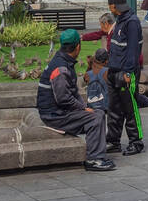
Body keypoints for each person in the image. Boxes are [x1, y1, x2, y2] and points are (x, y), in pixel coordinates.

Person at [36, 28, 116, 172]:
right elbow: (63, 98)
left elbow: (70, 93)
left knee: (96, 110)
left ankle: (97, 150)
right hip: (55, 116)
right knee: (96, 116)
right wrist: (83, 108)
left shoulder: (62, 60)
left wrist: (84, 106)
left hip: (57, 111)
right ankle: (94, 159)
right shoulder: (61, 68)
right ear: (78, 46)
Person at [84, 12, 148, 106]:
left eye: (101, 25)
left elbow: (119, 53)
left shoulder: (117, 32)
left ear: (106, 24)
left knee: (124, 88)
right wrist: (83, 37)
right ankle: (146, 101)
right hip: (124, 61)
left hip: (128, 64)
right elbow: (98, 34)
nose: (101, 27)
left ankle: (146, 101)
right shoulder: (113, 29)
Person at [105, 0, 146, 154]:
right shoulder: (120, 19)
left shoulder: (132, 22)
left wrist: (128, 73)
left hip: (126, 73)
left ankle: (136, 142)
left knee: (130, 108)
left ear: (113, 6)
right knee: (114, 109)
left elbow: (133, 52)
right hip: (114, 72)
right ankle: (113, 141)